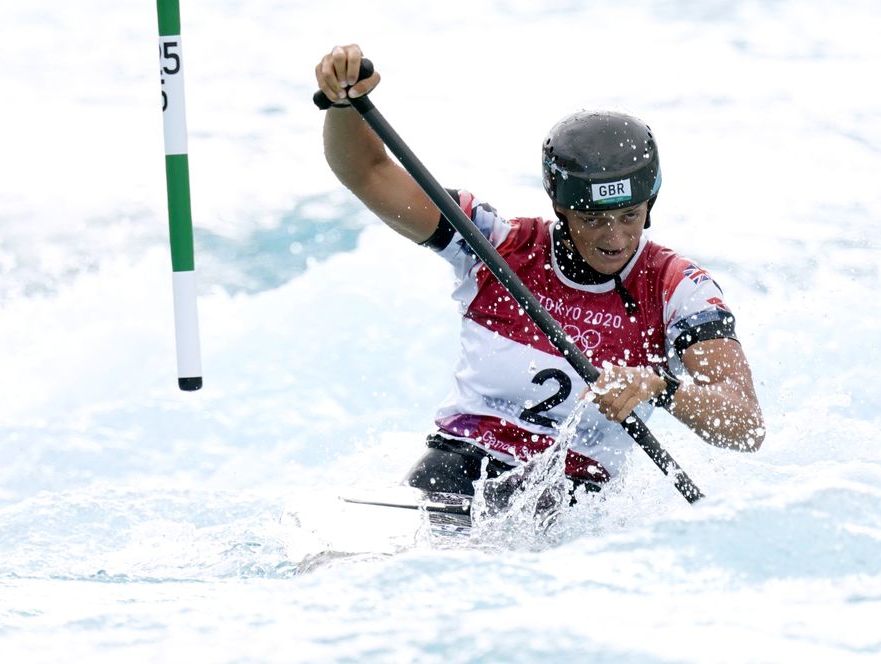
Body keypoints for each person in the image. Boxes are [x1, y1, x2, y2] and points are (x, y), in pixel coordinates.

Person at [315, 45, 765, 499]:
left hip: (571, 490)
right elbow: (369, 173)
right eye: (592, 220)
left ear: (650, 204)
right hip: (458, 461)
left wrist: (660, 387)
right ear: (561, 208)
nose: (614, 238)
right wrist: (341, 103)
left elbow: (746, 426)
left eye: (629, 215)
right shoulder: (496, 246)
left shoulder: (676, 289)